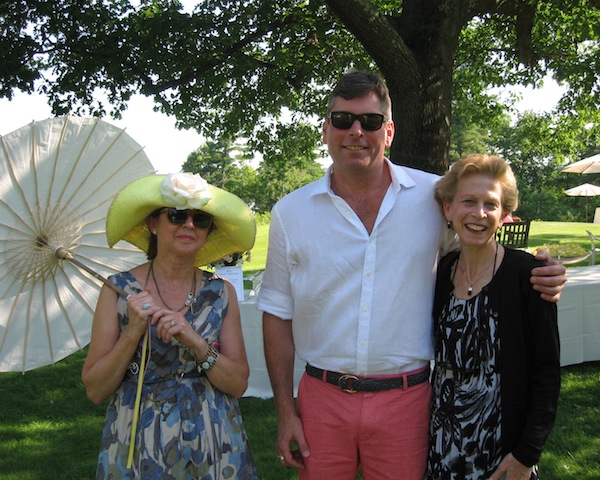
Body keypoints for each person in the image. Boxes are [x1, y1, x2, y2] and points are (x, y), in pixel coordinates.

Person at [256, 70, 566, 480]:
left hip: (406, 402)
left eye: (370, 121)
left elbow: (479, 250)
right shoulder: (290, 212)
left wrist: (538, 271)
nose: (356, 132)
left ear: (388, 132)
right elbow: (277, 311)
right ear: (326, 130)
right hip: (322, 400)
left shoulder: (432, 197)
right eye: (343, 120)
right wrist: (284, 410)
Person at [82, 172, 258, 479]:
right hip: (139, 443)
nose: (189, 225)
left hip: (213, 442)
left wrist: (195, 341)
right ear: (153, 223)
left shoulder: (220, 293)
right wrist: (133, 332)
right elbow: (95, 390)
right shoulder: (117, 291)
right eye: (177, 215)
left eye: (200, 219)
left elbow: (238, 384)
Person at [428, 154, 560, 480]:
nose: (479, 213)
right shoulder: (440, 274)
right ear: (449, 209)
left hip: (502, 457)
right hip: (442, 450)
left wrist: (526, 455)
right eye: (468, 201)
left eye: (491, 204)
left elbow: (546, 372)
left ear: (504, 215)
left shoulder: (527, 276)